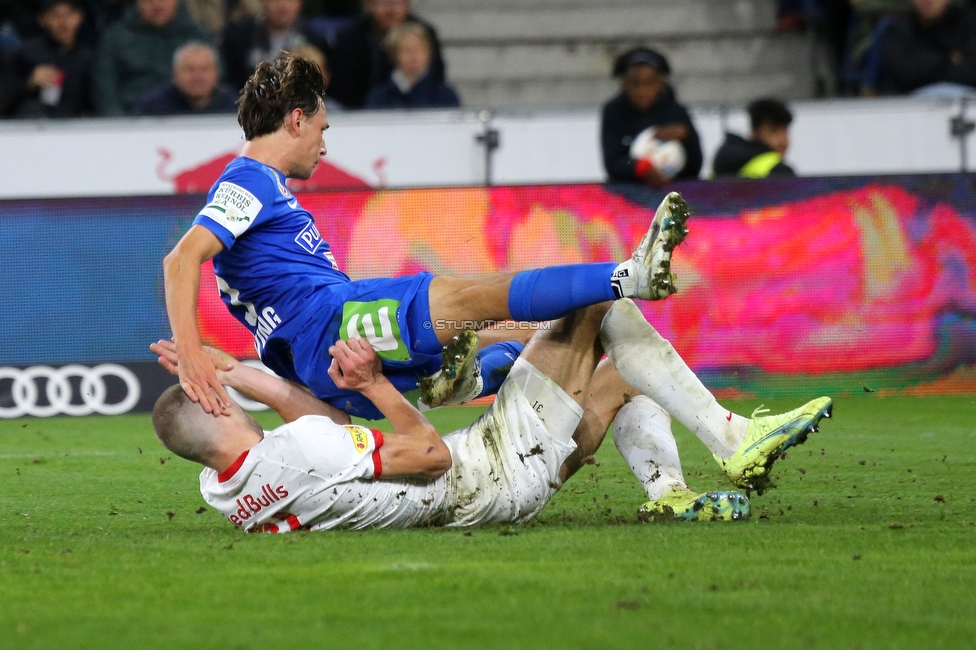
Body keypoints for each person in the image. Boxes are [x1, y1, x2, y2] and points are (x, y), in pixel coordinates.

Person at [163, 54, 691, 422]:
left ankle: (468, 380)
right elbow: (181, 259)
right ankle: (630, 273)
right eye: (323, 129)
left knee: (515, 337)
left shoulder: (260, 186)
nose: (324, 146)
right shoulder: (249, 177)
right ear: (296, 120)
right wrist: (191, 352)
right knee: (473, 297)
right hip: (329, 322)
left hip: (320, 358)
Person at [149, 300, 833, 532]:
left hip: (490, 495)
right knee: (599, 305)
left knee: (623, 376)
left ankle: (670, 497)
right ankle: (736, 439)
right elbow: (428, 456)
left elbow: (313, 424)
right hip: (481, 468)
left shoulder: (227, 488)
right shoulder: (297, 451)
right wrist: (377, 384)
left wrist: (235, 373)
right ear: (213, 408)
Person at [601, 47, 703, 186]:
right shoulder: (613, 112)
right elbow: (613, 164)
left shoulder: (677, 112)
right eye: (635, 84)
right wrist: (640, 168)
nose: (642, 92)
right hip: (628, 194)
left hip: (674, 193)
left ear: (661, 83)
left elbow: (695, 167)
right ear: (623, 84)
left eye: (650, 83)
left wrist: (687, 137)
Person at [93, 0, 213, 116]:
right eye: (149, 0)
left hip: (191, 120)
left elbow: (217, 82)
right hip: (131, 121)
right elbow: (105, 90)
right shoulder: (115, 37)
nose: (157, 5)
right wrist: (120, 127)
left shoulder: (199, 35)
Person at [326, 0, 445, 109]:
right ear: (369, 5)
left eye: (397, 3)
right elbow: (341, 86)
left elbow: (436, 75)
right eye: (384, 3)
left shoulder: (425, 33)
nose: (391, 11)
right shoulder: (350, 37)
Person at [6, 0, 93, 119]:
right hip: (33, 127)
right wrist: (28, 83)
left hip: (76, 129)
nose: (64, 23)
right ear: (43, 20)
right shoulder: (24, 54)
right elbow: (5, 99)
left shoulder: (90, 58)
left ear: (80, 16)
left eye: (70, 14)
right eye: (56, 16)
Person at [221, 0, 329, 91]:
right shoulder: (238, 36)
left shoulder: (315, 40)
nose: (283, 5)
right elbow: (229, 81)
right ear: (263, 2)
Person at [880, 0, 976, 96]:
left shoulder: (969, 24)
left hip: (967, 100)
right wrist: (949, 59)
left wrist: (926, 63)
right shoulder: (897, 28)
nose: (927, 0)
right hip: (910, 104)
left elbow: (971, 72)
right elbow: (904, 74)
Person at [364, 21, 459, 110]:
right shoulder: (379, 97)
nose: (414, 56)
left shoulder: (445, 96)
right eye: (406, 50)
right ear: (394, 55)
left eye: (419, 49)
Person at [131, 41, 237, 115]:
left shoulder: (235, 107)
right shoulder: (151, 109)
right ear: (175, 74)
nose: (197, 77)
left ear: (216, 73)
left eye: (204, 69)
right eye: (190, 69)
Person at [712, 98, 796, 179]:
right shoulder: (779, 172)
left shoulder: (720, 165)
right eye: (773, 131)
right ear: (755, 132)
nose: (783, 141)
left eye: (785, 132)